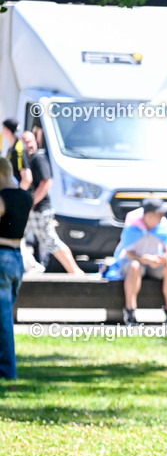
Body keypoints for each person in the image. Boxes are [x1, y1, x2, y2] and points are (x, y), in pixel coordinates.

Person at [104, 198, 167, 326]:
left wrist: (162, 260)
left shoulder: (163, 224)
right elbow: (130, 254)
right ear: (149, 215)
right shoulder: (132, 226)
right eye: (160, 214)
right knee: (135, 267)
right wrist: (143, 258)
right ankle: (130, 313)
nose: (163, 216)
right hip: (133, 262)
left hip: (155, 265)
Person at [18, 131, 84, 275]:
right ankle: (30, 267)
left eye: (30, 141)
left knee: (51, 241)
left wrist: (31, 202)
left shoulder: (38, 159)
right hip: (30, 210)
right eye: (24, 142)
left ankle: (76, 272)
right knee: (17, 238)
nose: (28, 145)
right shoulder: (25, 160)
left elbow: (47, 182)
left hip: (40, 210)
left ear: (36, 142)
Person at [0, 159, 32, 379]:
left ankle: (8, 371)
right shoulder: (25, 197)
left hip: (1, 258)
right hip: (16, 259)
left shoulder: (3, 198)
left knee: (3, 322)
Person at [3, 119, 25, 187]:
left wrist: (19, 194)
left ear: (7, 130)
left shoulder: (19, 149)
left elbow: (26, 177)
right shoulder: (11, 148)